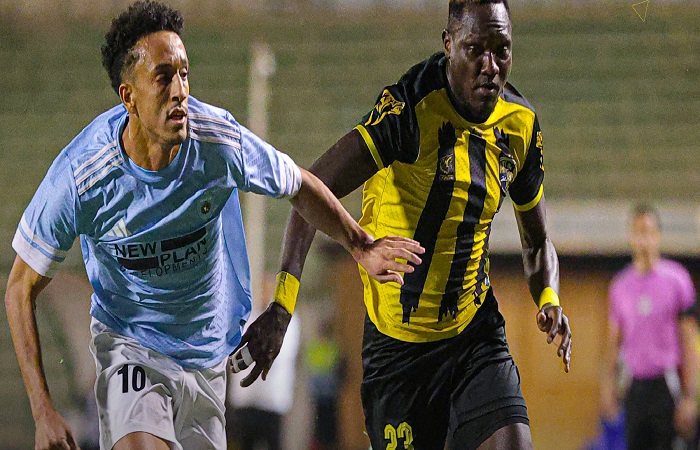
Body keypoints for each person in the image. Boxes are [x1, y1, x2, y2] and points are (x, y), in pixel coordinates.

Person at [3, 2, 424, 449]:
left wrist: (359, 244)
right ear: (128, 97)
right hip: (131, 344)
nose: (179, 90)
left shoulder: (217, 142)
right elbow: (19, 289)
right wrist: (43, 412)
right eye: (163, 77)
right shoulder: (82, 177)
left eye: (184, 74)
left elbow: (299, 184)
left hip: (206, 356)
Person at [236, 1, 573, 448]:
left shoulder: (521, 124)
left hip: (474, 336)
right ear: (449, 44)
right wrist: (282, 307)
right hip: (397, 349)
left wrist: (548, 297)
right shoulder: (409, 110)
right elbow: (307, 193)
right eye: (476, 49)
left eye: (502, 50)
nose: (491, 66)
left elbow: (537, 239)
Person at [601, 203, 699, 450]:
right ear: (631, 237)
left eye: (648, 232)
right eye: (638, 232)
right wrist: (608, 386)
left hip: (667, 384)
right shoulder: (620, 287)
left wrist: (690, 396)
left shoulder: (677, 280)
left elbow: (690, 340)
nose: (643, 239)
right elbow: (614, 342)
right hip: (634, 385)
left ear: (658, 236)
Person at [227, 274, 301, 450]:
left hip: (272, 401)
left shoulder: (287, 322)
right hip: (246, 400)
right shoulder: (247, 318)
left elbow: (282, 353)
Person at [305, 318, 345, 450]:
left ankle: (329, 444)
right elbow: (314, 366)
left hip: (330, 393)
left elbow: (335, 365)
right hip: (319, 393)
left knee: (331, 423)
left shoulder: (332, 346)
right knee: (319, 422)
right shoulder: (316, 347)